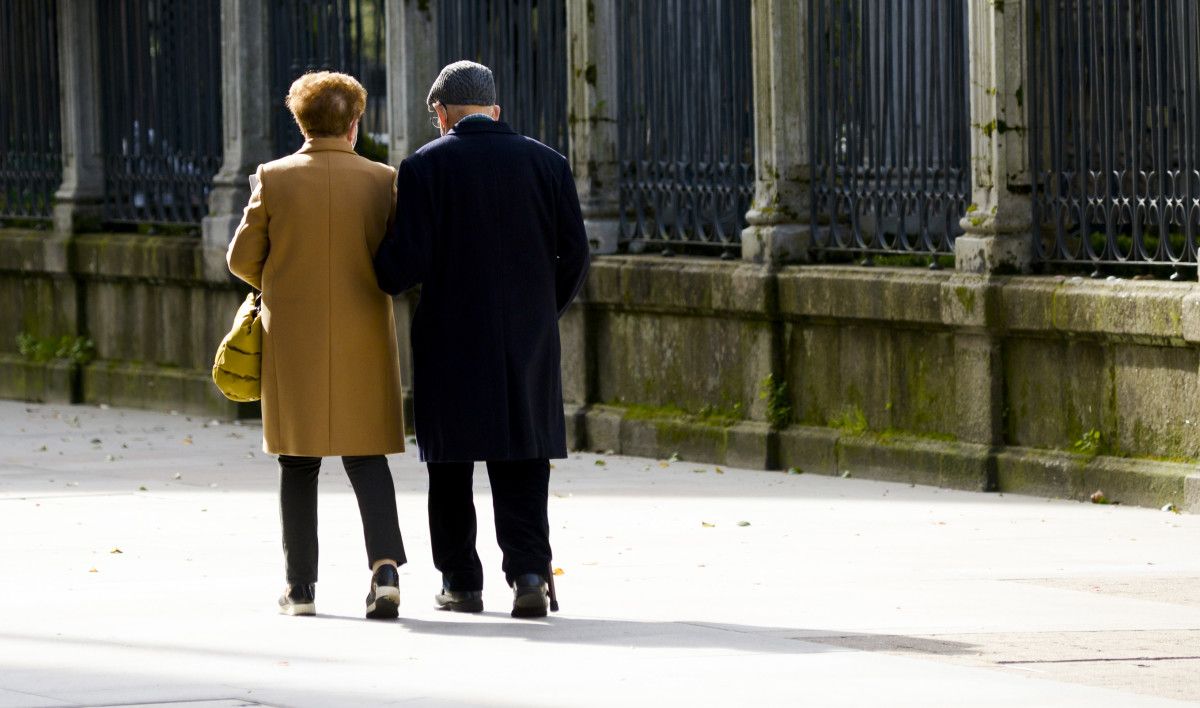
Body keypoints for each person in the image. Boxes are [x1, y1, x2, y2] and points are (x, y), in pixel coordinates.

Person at [374, 60, 590, 618]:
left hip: (451, 339)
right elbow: (576, 256)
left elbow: (402, 266)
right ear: (495, 110)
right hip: (528, 339)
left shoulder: (425, 167)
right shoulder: (550, 164)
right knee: (524, 458)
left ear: (441, 113)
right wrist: (543, 311)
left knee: (449, 467)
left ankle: (462, 582)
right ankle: (530, 573)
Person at [227, 71, 407, 620]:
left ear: (300, 122)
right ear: (355, 124)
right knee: (367, 457)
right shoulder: (382, 180)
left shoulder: (274, 177)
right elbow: (397, 258)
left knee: (298, 463)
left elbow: (239, 258)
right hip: (364, 334)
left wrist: (278, 278)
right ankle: (384, 571)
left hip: (295, 337)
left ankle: (300, 588)